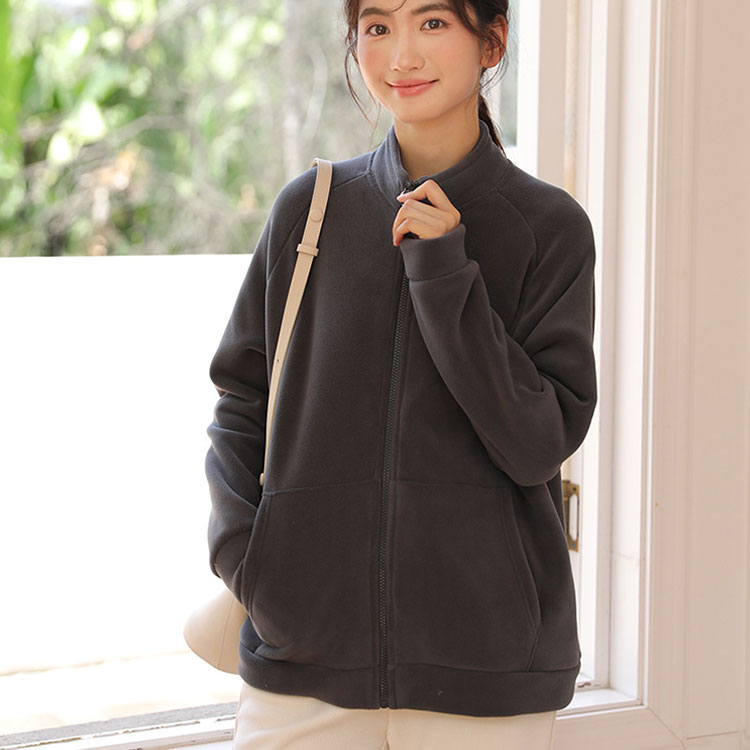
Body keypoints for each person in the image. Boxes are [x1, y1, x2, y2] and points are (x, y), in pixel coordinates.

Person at [205, 0, 597, 747]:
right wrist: (249, 560)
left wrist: (444, 271)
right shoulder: (309, 213)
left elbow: (536, 443)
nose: (402, 56)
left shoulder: (548, 228)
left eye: (433, 23)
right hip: (303, 662)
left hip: (486, 674)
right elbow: (242, 399)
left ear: (492, 43)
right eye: (378, 27)